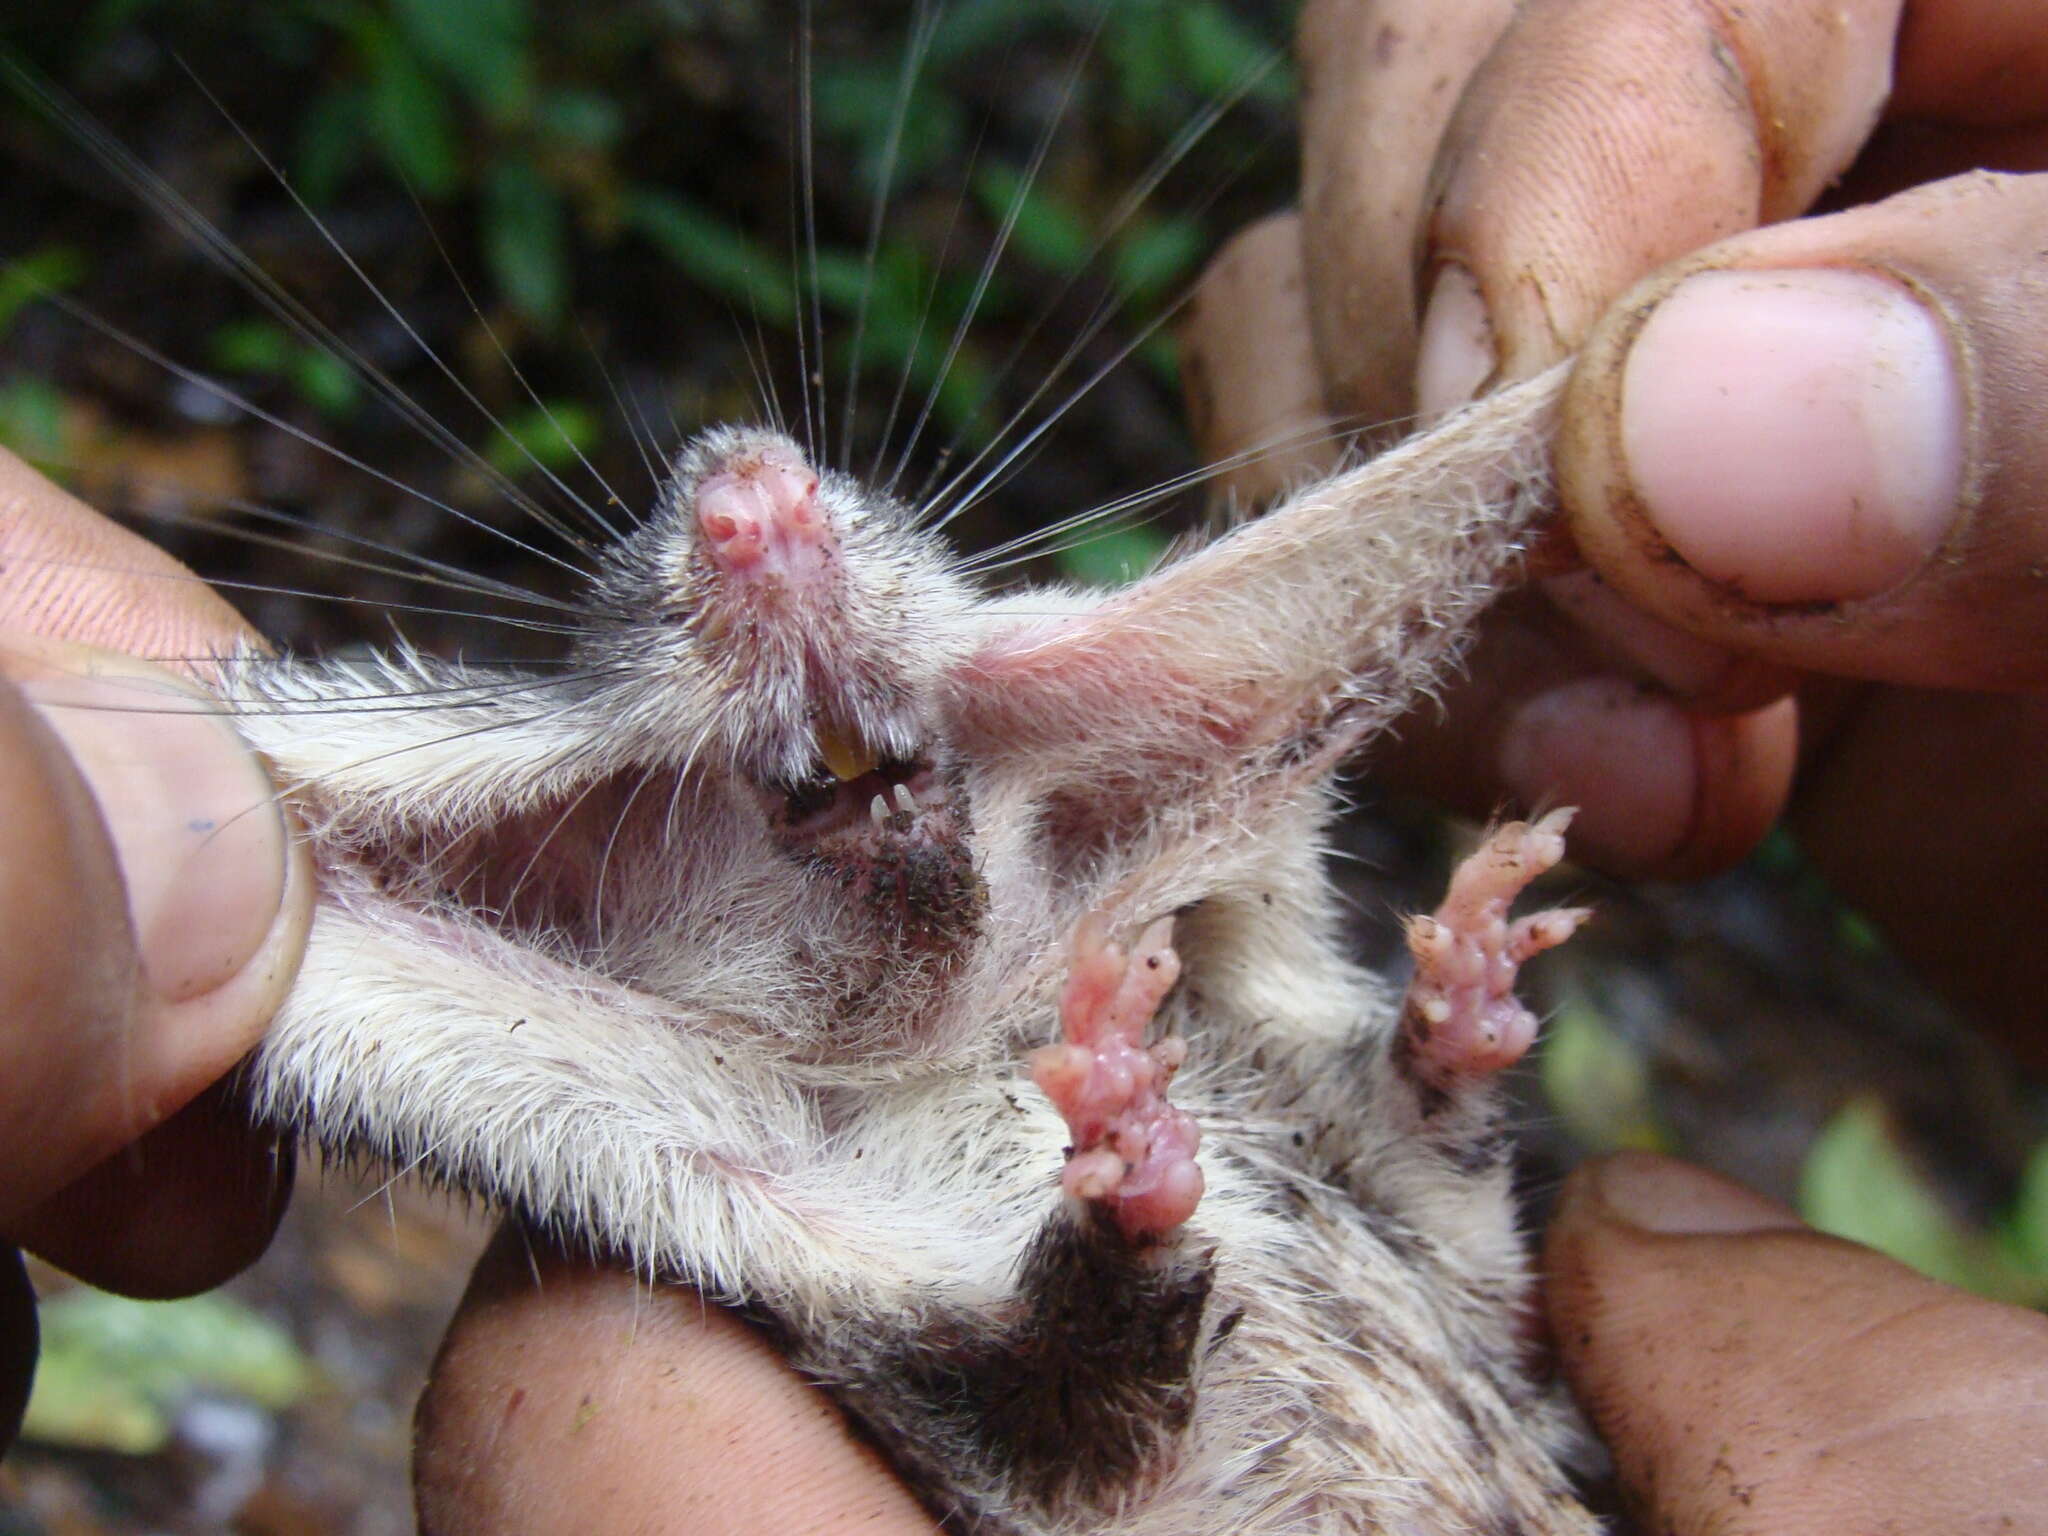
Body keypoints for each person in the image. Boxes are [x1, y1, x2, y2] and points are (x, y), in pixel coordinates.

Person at [4, 0, 2048, 1528]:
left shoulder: (1145, 901)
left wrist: (1417, 1087)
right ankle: (1133, 1252)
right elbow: (1147, 1406)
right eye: (680, 599)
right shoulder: (764, 1152)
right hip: (1190, 1383)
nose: (759, 527)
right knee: (1052, 1360)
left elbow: (1434, 1263)